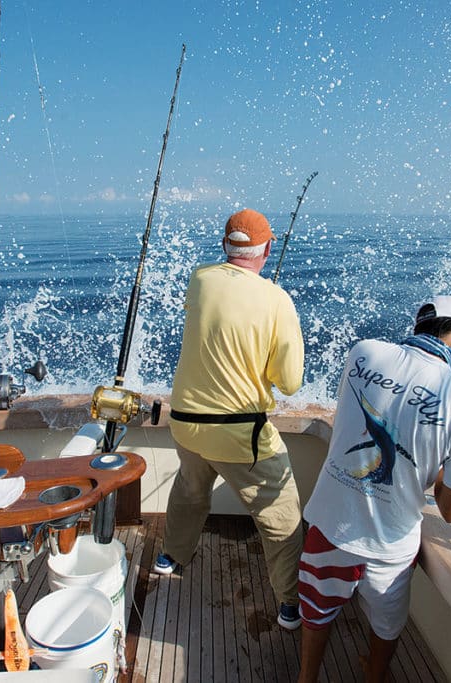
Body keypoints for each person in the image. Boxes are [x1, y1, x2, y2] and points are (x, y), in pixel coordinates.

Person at [297, 295, 451, 682]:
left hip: (328, 527)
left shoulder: (363, 353)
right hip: (389, 549)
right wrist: (439, 467)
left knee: (316, 613)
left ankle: (306, 678)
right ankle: (373, 672)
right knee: (386, 628)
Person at [153, 208, 306, 630]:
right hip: (239, 435)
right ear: (269, 248)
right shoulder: (278, 299)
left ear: (225, 246)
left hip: (185, 423)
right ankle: (290, 601)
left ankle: (172, 555)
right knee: (282, 515)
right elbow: (289, 382)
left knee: (190, 487)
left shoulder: (200, 278)